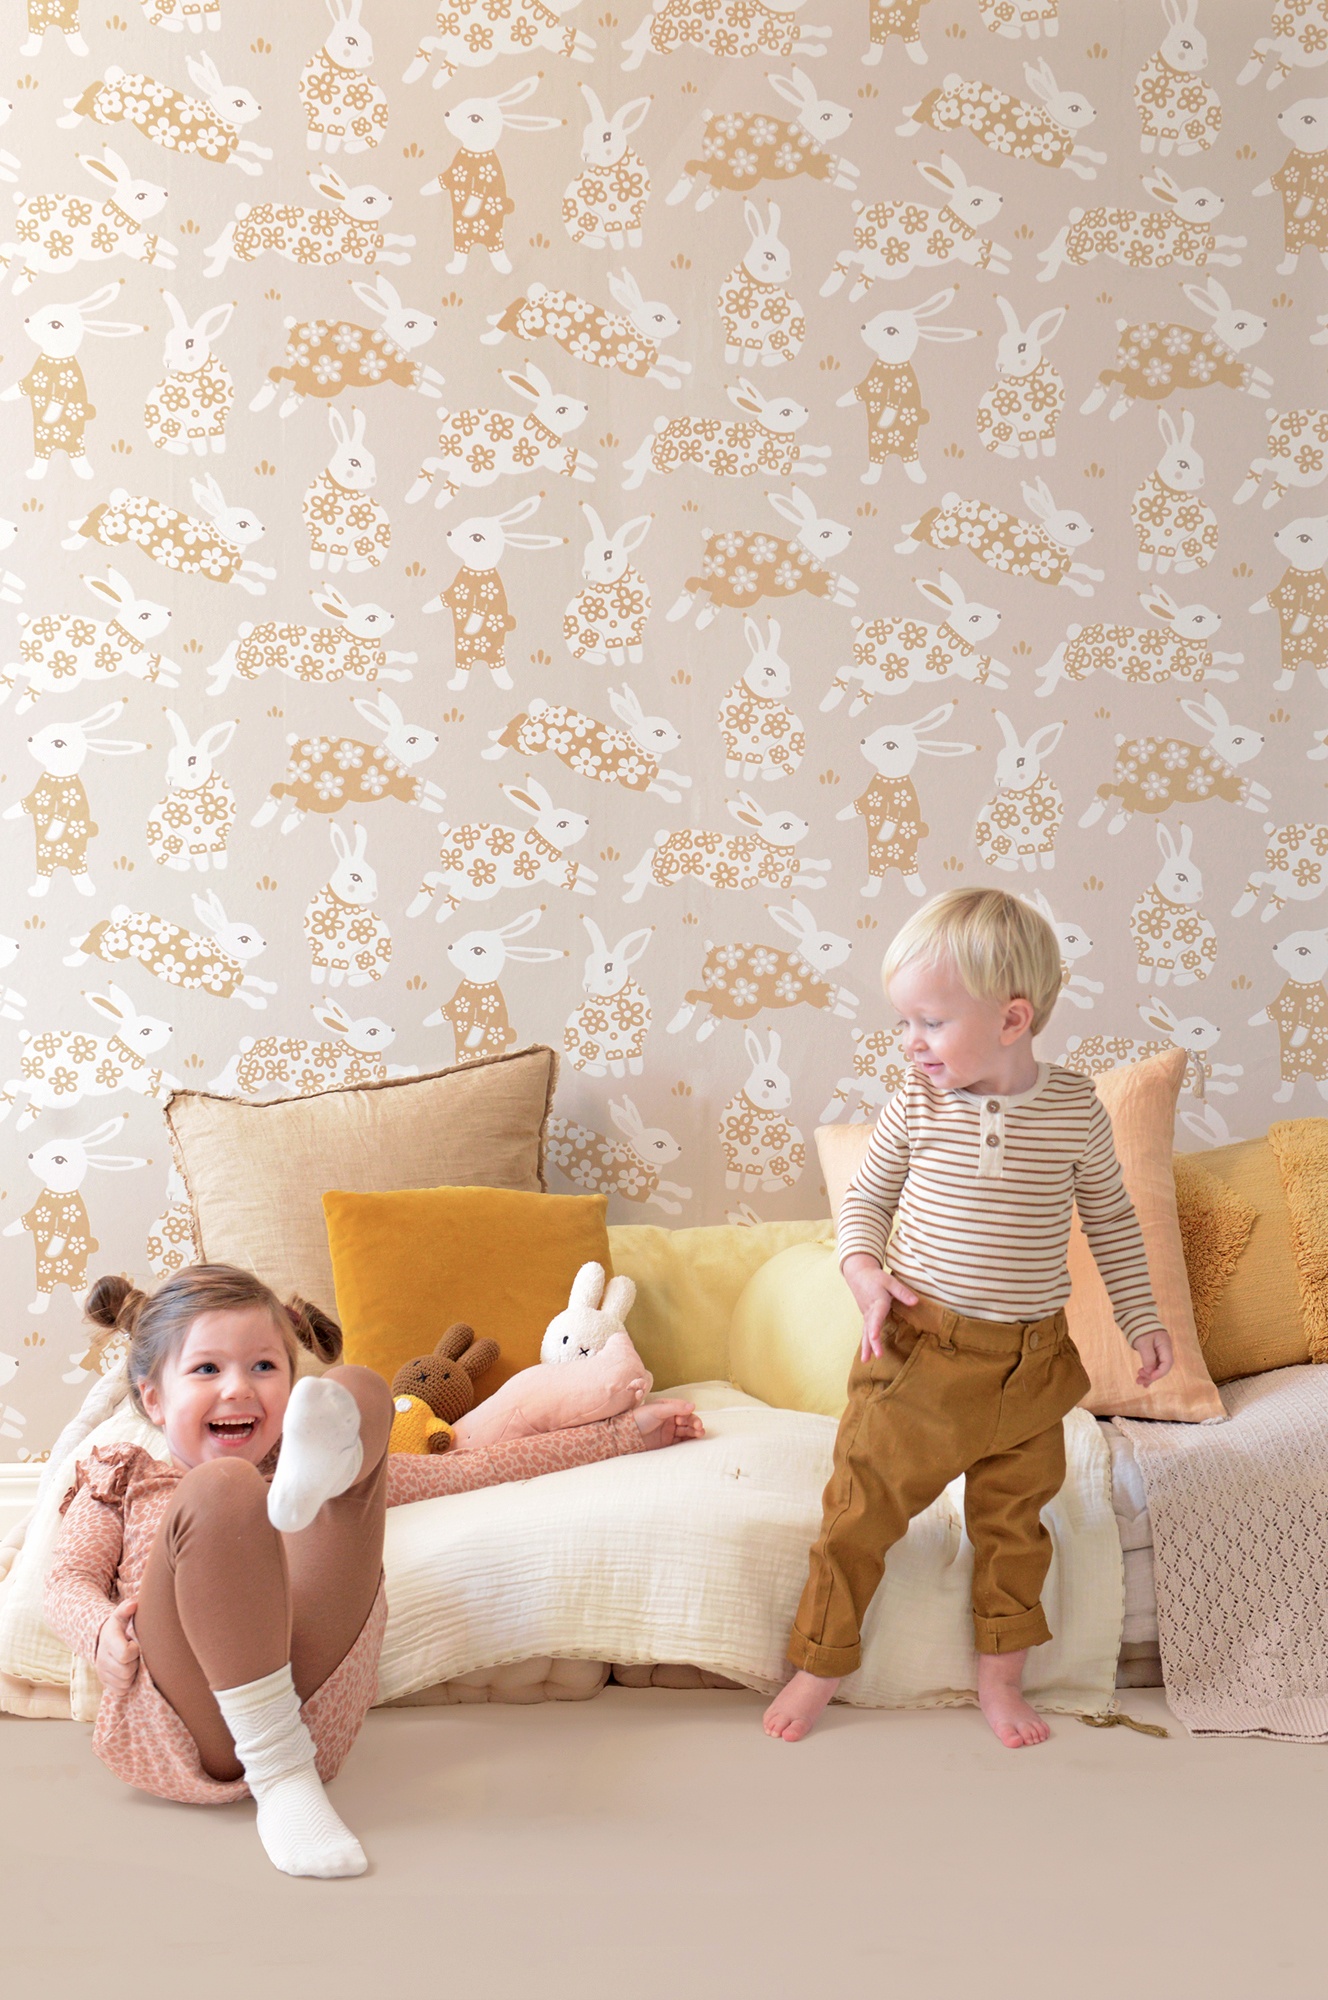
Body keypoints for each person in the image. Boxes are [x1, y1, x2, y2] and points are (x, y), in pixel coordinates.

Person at [45, 1263, 703, 1878]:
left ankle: (286, 1759)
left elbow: (470, 1469)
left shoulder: (311, 1455)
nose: (238, 1387)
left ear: (290, 1385)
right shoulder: (123, 1479)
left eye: (264, 1366)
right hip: (190, 1722)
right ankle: (279, 1775)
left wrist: (625, 1435)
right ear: (154, 1399)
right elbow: (66, 1581)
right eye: (207, 1369)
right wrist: (98, 1630)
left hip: (312, 1699)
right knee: (223, 1490)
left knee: (361, 1390)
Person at [764, 888, 1173, 1749]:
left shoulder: (1073, 1110)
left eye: (931, 1022)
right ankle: (821, 1661)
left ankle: (1002, 1678)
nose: (910, 1042)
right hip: (922, 1357)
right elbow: (864, 1203)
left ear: (1012, 1019)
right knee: (860, 1509)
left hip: (1031, 1366)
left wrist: (1142, 1319)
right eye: (904, 1022)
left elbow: (1111, 1220)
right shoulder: (916, 1104)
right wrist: (864, 1272)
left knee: (1015, 1529)